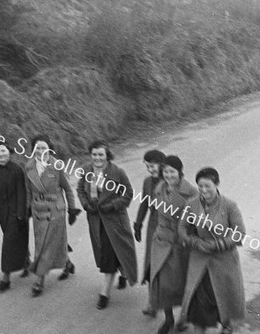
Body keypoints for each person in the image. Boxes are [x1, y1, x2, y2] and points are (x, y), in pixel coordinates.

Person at [178, 167, 246, 334]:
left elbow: (239, 233)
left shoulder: (229, 206)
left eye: (207, 186)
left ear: (216, 184)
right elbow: (183, 229)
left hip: (223, 260)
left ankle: (227, 325)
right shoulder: (191, 205)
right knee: (199, 300)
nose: (203, 190)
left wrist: (218, 244)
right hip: (200, 259)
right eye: (200, 186)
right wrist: (195, 242)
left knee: (222, 296)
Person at [77, 140, 138, 309]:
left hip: (115, 221)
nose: (97, 158)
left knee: (111, 254)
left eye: (101, 155)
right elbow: (80, 190)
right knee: (106, 251)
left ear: (107, 155)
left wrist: (113, 205)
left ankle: (104, 293)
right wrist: (85, 204)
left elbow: (128, 194)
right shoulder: (86, 171)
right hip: (96, 220)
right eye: (94, 154)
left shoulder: (117, 172)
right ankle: (123, 271)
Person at [25, 135, 81, 297]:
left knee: (45, 245)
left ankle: (39, 280)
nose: (40, 151)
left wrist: (72, 209)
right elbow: (29, 190)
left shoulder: (56, 166)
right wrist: (28, 209)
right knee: (46, 241)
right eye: (37, 148)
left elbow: (68, 189)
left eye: (43, 148)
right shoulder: (28, 167)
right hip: (38, 210)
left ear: (49, 149)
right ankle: (67, 263)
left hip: (56, 210)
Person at [149, 156, 198, 334]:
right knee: (162, 283)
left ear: (180, 172)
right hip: (161, 241)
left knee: (183, 283)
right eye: (166, 171)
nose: (168, 175)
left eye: (172, 172)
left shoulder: (191, 192)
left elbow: (196, 220)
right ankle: (168, 318)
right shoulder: (159, 188)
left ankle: (184, 317)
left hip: (180, 244)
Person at [0, 141, 29, 292]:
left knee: (8, 243)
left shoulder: (17, 170)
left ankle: (6, 278)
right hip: (2, 212)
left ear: (9, 152)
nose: (1, 154)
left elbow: (22, 193)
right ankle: (26, 261)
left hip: (16, 211)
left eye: (3, 151)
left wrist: (21, 214)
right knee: (13, 239)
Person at [133, 149, 167, 318]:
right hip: (153, 225)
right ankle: (152, 303)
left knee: (168, 266)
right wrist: (138, 224)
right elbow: (144, 204)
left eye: (152, 166)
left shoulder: (170, 180)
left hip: (169, 227)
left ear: (161, 164)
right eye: (147, 167)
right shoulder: (147, 182)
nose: (150, 170)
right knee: (150, 264)